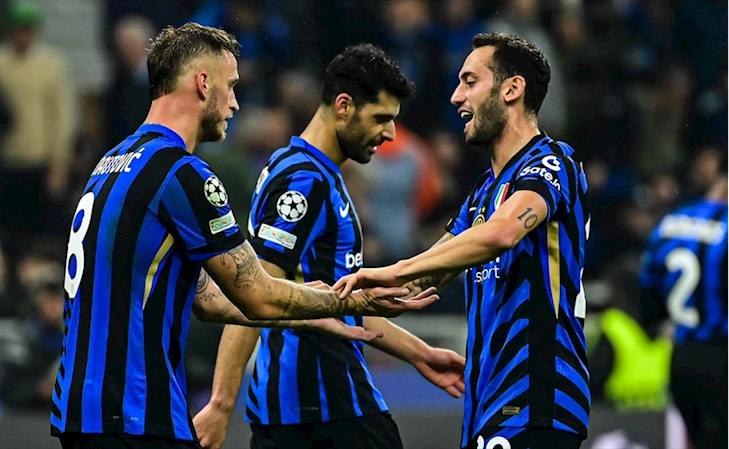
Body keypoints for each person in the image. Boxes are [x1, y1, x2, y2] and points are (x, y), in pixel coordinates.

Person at [50, 23, 439, 449]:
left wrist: (312, 311)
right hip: (136, 412)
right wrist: (353, 301)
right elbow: (256, 293)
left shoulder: (113, 162)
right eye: (231, 86)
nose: (235, 102)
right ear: (203, 84)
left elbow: (211, 299)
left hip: (80, 413)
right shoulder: (181, 173)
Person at [192, 44, 467, 449]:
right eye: (381, 118)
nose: (390, 134)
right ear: (343, 106)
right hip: (322, 411)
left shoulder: (310, 171)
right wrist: (220, 403)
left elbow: (340, 303)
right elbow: (251, 292)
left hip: (306, 410)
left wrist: (419, 353)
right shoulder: (304, 181)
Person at [334, 33, 591, 449]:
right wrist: (334, 298)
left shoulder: (552, 161)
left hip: (537, 397)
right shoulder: (482, 195)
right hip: (488, 403)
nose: (456, 97)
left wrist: (397, 269)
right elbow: (426, 274)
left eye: (470, 81)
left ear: (512, 88)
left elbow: (501, 233)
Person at [638, 175, 728, 449]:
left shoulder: (672, 221)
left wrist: (655, 321)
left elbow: (648, 285)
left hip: (681, 358)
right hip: (721, 353)